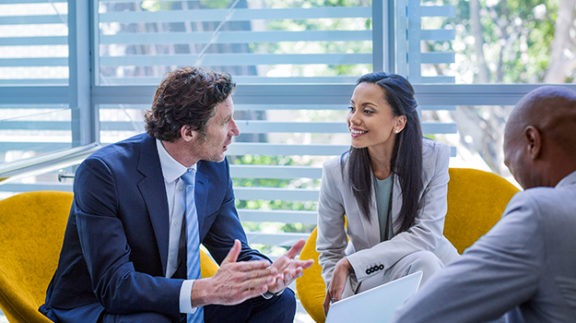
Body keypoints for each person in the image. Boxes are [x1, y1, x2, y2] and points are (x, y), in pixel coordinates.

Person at [39, 66, 313, 323]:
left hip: (172, 298)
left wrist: (265, 277)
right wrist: (205, 291)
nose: (235, 131)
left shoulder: (213, 168)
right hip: (99, 304)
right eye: (225, 122)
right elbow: (115, 286)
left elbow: (235, 250)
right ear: (188, 132)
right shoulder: (105, 173)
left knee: (278, 301)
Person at [392, 86, 576, 323]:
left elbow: (416, 318)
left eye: (512, 164)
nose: (519, 182)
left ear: (533, 141)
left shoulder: (541, 213)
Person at [316, 72, 459, 314]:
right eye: (352, 108)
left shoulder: (433, 159)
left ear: (399, 123)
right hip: (372, 280)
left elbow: (426, 235)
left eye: (367, 111)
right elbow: (330, 249)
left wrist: (352, 262)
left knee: (425, 262)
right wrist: (343, 301)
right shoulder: (336, 172)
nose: (354, 119)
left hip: (430, 270)